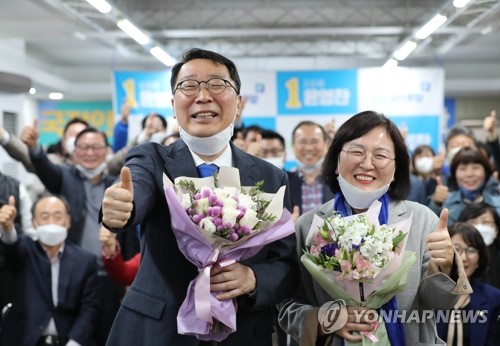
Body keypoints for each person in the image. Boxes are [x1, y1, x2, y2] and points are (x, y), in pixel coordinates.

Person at [100, 48, 298, 346]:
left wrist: (253, 279)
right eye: (189, 86)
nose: (203, 96)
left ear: (239, 103)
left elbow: (285, 264)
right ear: (173, 103)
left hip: (241, 333)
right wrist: (122, 208)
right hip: (158, 333)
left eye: (217, 84)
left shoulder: (271, 177)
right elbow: (136, 190)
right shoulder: (152, 159)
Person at [278, 110, 471, 345]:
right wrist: (325, 318)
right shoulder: (309, 225)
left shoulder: (422, 221)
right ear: (337, 161)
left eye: (380, 155)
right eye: (357, 152)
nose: (367, 164)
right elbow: (286, 307)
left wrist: (444, 267)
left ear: (395, 167)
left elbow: (440, 304)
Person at [23, 126, 140, 345]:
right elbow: (45, 167)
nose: (89, 153)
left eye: (96, 147)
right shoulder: (64, 178)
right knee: (76, 334)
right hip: (72, 275)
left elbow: (129, 234)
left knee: (109, 333)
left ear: (106, 151)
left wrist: (131, 277)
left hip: (109, 276)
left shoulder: (116, 184)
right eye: (84, 147)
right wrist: (34, 149)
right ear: (73, 151)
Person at [0, 194, 99, 346]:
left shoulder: (85, 260)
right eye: (44, 217)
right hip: (25, 340)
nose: (51, 223)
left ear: (68, 221)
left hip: (67, 340)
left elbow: (89, 309)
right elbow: (11, 250)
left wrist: (75, 342)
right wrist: (7, 228)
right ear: (33, 222)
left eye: (58, 216)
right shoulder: (25, 251)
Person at [437, 222, 500, 345]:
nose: (463, 258)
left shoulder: (494, 299)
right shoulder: (427, 295)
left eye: (471, 250)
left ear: (479, 259)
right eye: (456, 249)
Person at [428, 147, 500, 226]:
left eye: (476, 168)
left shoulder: (497, 204)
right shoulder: (444, 202)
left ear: (486, 173)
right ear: (454, 174)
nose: (469, 174)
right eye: (463, 169)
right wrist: (436, 204)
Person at [288, 121, 333, 216]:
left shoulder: (337, 181)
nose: (309, 148)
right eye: (303, 142)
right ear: (293, 146)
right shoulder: (283, 182)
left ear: (326, 144)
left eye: (314, 141)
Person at [458, 203, 500, 289]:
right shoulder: (457, 256)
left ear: (496, 229)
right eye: (473, 222)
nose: (479, 227)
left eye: (485, 222)